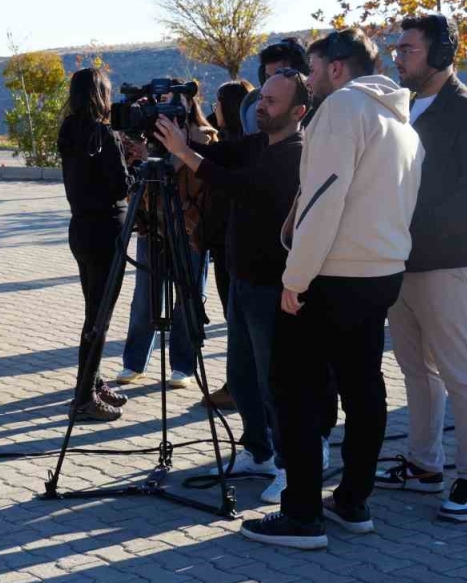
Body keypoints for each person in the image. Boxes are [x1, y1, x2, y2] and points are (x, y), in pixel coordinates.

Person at [241, 29, 423, 550]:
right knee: (364, 385)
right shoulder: (399, 120)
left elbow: (323, 200)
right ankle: (352, 501)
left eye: (314, 68)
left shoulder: (343, 109)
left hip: (332, 275)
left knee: (294, 389)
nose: (308, 77)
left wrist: (295, 279)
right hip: (381, 271)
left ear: (338, 68)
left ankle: (301, 515)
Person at [156, 71, 308, 504]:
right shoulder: (259, 143)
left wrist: (183, 152)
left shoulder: (295, 153)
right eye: (262, 98)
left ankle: (288, 466)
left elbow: (235, 183)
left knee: (274, 381)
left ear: (297, 111)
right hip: (241, 278)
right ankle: (258, 452)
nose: (262, 106)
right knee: (242, 376)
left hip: (270, 284)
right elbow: (219, 155)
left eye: (273, 102)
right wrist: (181, 127)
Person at [380, 14, 467, 522]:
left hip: (450, 265)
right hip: (400, 262)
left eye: (408, 49)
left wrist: (414, 232)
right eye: (398, 49)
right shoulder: (401, 108)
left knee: (461, 371)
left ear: (440, 53)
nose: (398, 57)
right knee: (416, 369)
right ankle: (425, 465)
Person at [117, 85, 215, 390]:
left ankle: (183, 365)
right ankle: (134, 362)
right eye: (160, 103)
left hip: (189, 229)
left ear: (188, 104)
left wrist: (178, 149)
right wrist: (139, 153)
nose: (165, 110)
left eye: (172, 102)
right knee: (145, 298)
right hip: (153, 226)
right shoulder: (150, 139)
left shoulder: (204, 136)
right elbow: (138, 183)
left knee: (188, 297)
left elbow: (201, 176)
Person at [58, 67, 139, 421]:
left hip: (82, 229)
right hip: (106, 231)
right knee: (99, 317)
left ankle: (91, 380)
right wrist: (136, 163)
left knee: (94, 311)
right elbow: (122, 186)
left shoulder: (70, 130)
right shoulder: (103, 134)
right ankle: (83, 397)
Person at [198, 79, 255, 413]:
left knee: (238, 321)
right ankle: (240, 384)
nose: (213, 109)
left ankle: (239, 387)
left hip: (230, 246)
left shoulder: (236, 149)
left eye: (217, 103)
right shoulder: (240, 143)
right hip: (225, 244)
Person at [238, 38, 309, 136]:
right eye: (268, 78)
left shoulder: (323, 112)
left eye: (280, 75)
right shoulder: (252, 108)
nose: (272, 83)